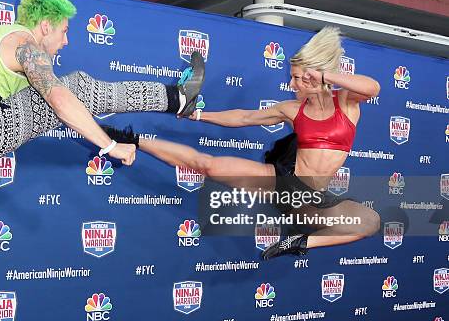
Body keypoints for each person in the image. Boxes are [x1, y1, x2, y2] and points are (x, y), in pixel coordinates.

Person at [0, 0, 205, 275]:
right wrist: (110, 147)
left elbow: (60, 116)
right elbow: (62, 102)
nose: (66, 40)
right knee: (75, 88)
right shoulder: (24, 43)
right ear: (45, 26)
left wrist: (111, 134)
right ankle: (178, 97)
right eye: (64, 31)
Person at [102, 27, 381, 259]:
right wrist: (198, 114)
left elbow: (373, 87)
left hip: (311, 199)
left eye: (296, 78)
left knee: (370, 222)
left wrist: (326, 76)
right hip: (282, 183)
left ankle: (301, 242)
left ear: (313, 76)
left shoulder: (346, 103)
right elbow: (244, 117)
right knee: (206, 165)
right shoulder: (292, 110)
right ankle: (130, 139)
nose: (292, 84)